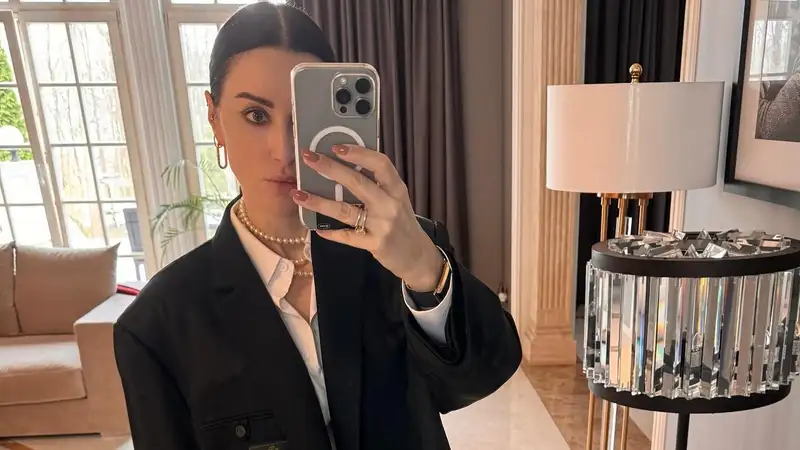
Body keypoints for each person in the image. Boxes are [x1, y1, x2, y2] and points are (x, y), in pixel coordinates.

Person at [113, 3, 521, 450]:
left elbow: (482, 377)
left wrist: (426, 270)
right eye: (256, 115)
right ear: (215, 119)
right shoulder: (158, 325)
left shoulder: (400, 254)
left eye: (303, 120)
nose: (284, 151)